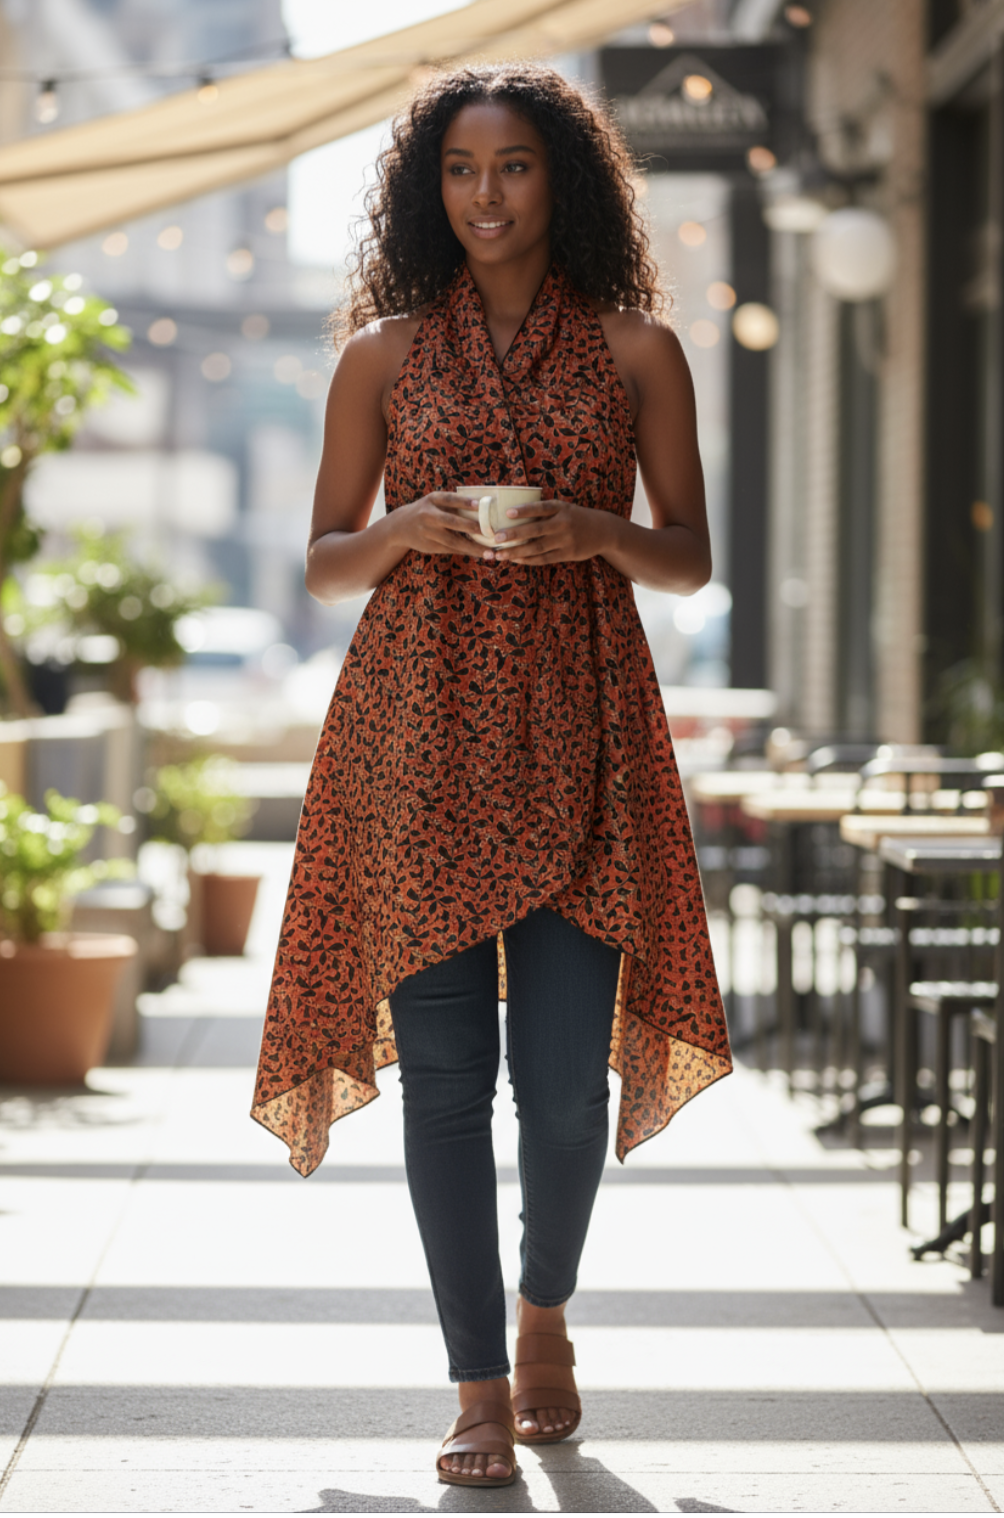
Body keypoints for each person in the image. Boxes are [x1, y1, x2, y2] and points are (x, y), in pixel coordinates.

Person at [252, 62, 731, 1490]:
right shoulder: (383, 358)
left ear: (560, 179)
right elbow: (323, 557)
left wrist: (597, 528)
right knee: (447, 1082)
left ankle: (544, 1318)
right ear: (427, 186)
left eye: (514, 165)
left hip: (585, 728)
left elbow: (691, 552)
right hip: (418, 736)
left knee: (566, 1088)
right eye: (460, 169)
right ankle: (473, 1383)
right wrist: (414, 528)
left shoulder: (641, 352)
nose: (486, 194)